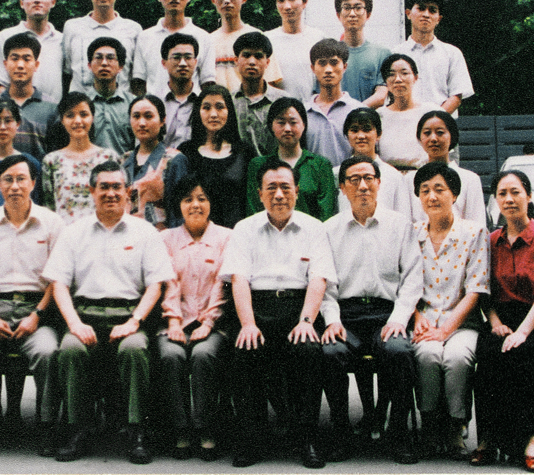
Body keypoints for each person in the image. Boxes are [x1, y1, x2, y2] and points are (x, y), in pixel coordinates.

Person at [41, 160, 176, 464]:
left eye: (117, 187)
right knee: (71, 349)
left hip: (128, 316)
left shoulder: (145, 232)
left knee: (134, 349)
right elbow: (59, 284)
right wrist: (74, 323)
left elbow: (156, 285)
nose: (111, 193)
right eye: (104, 187)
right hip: (84, 315)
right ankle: (78, 428)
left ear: (128, 192)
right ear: (92, 191)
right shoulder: (74, 233)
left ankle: (136, 430)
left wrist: (135, 321)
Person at [220, 159, 337, 469]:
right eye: (271, 188)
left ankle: (306, 438)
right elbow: (239, 279)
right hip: (256, 306)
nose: (279, 194)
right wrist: (248, 324)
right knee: (245, 348)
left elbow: (319, 279)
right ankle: (252, 439)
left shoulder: (314, 228)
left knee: (308, 349)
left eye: (286, 187)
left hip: (298, 307)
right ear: (260, 194)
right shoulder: (245, 229)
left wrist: (306, 321)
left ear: (296, 191)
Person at [320, 156, 423, 465]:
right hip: (347, 314)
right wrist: (332, 320)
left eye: (368, 178)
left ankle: (397, 431)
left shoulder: (400, 226)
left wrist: (399, 318)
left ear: (379, 183)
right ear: (342, 188)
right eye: (354, 180)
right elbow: (324, 284)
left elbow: (413, 278)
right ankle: (341, 432)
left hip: (386, 313)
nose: (362, 186)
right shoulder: (329, 230)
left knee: (398, 350)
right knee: (331, 352)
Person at [0, 155, 65, 456]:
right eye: (8, 180)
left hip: (37, 311)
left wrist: (37, 315)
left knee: (47, 352)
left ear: (33, 183)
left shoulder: (52, 223)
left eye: (21, 179)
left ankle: (46, 426)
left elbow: (57, 277)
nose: (15, 186)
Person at [471, 170, 534, 473]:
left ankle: (529, 441)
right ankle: (488, 437)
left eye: (515, 192)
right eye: (502, 193)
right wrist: (495, 322)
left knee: (519, 358)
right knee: (488, 357)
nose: (509, 199)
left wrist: (522, 332)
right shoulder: (490, 241)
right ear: (495, 199)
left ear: (529, 195)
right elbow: (482, 290)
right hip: (501, 318)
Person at [410, 162, 489, 460]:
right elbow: (403, 284)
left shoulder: (473, 232)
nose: (432, 196)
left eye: (439, 189)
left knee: (457, 358)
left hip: (462, 321)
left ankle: (457, 426)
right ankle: (431, 425)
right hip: (424, 319)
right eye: (425, 190)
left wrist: (446, 329)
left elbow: (476, 288)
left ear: (454, 195)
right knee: (428, 355)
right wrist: (417, 317)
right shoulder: (412, 234)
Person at [157, 174, 231, 461]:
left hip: (214, 323)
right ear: (179, 204)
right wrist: (174, 321)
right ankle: (180, 428)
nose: (195, 205)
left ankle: (205, 428)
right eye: (188, 199)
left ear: (211, 203)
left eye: (202, 198)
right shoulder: (166, 239)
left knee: (203, 354)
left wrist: (209, 322)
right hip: (175, 321)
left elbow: (222, 285)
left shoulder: (226, 237)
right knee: (171, 355)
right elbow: (168, 283)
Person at [246, 97, 337, 221]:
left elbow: (326, 215)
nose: (287, 129)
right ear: (271, 126)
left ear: (304, 125)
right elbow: (253, 213)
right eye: (281, 122)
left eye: (293, 122)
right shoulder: (258, 165)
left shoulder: (321, 165)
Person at [178, 85, 254, 229]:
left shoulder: (245, 152)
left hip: (236, 233)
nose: (213, 114)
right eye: (206, 108)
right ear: (198, 111)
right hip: (197, 233)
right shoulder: (186, 152)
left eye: (220, 107)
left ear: (229, 111)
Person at [131, 0, 215, 96]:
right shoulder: (144, 37)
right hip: (154, 107)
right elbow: (139, 84)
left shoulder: (204, 37)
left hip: (192, 107)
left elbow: (207, 84)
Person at [63, 0, 142, 95]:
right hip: (80, 106)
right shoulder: (72, 28)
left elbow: (136, 79)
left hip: (121, 106)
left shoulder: (133, 30)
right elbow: (67, 73)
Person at [0, 33, 59, 161]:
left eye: (26, 59)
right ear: (5, 64)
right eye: (14, 58)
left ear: (36, 65)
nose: (20, 65)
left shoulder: (52, 108)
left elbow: (57, 156)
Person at [40, 92, 120, 223]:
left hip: (102, 231)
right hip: (66, 233)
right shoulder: (51, 161)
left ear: (92, 117)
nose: (77, 121)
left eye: (83, 114)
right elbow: (49, 208)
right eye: (70, 115)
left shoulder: (108, 157)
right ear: (62, 120)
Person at [394, 0, 474, 115]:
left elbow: (456, 95)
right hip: (404, 122)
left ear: (438, 19)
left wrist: (435, 120)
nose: (426, 15)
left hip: (441, 123)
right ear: (408, 14)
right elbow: (390, 94)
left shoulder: (452, 54)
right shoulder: (395, 54)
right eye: (421, 9)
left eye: (432, 10)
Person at [404, 110, 485, 225]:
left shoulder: (470, 179)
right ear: (419, 138)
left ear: (452, 136)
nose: (433, 138)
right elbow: (406, 224)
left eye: (440, 132)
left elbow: (477, 224)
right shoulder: (409, 180)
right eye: (427, 133)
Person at [0, 0, 64, 102]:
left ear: (53, 2)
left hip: (54, 111)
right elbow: (1, 84)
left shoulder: (62, 41)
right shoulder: (4, 38)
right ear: (22, 3)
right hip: (13, 111)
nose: (37, 0)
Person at [121, 94, 189, 230]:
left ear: (162, 120)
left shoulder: (173, 160)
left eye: (148, 116)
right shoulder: (123, 160)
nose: (142, 123)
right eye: (136, 116)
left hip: (160, 238)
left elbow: (178, 215)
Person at [208, 0, 283, 92]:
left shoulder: (257, 37)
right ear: (213, 0)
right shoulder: (207, 41)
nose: (226, 0)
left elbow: (271, 82)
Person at [335, 108, 412, 217]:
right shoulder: (336, 174)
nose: (361, 136)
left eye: (367, 130)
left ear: (379, 134)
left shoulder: (394, 176)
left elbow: (403, 216)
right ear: (347, 135)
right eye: (354, 130)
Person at [375, 53, 440, 172]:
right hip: (388, 176)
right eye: (391, 75)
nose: (398, 79)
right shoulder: (379, 115)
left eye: (404, 73)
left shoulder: (431, 112)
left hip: (422, 175)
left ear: (415, 77)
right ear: (385, 81)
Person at [304, 38, 365, 166]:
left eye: (334, 63)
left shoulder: (359, 110)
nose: (328, 69)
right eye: (322, 63)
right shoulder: (303, 112)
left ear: (344, 66)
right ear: (313, 68)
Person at [265, 0, 325, 102]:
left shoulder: (318, 38)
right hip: (278, 110)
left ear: (305, 1)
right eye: (281, 0)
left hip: (312, 110)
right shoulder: (267, 40)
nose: (287, 6)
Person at [332, 0, 389, 108]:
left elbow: (381, 96)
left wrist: (354, 113)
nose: (352, 14)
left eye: (358, 8)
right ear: (338, 15)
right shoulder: (330, 54)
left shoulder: (382, 54)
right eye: (346, 8)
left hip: (369, 118)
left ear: (368, 14)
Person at [232, 31, 288, 157]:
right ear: (236, 60)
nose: (252, 62)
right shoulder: (228, 102)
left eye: (258, 56)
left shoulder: (283, 101)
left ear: (267, 62)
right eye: (246, 55)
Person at [86, 37, 134, 155]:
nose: (104, 63)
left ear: (121, 66)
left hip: (125, 165)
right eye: (98, 58)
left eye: (110, 58)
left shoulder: (133, 104)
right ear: (89, 65)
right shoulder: (80, 104)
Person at [158, 32, 201, 150]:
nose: (182, 63)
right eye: (176, 57)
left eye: (188, 57)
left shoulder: (204, 102)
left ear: (195, 62)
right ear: (164, 63)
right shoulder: (154, 103)